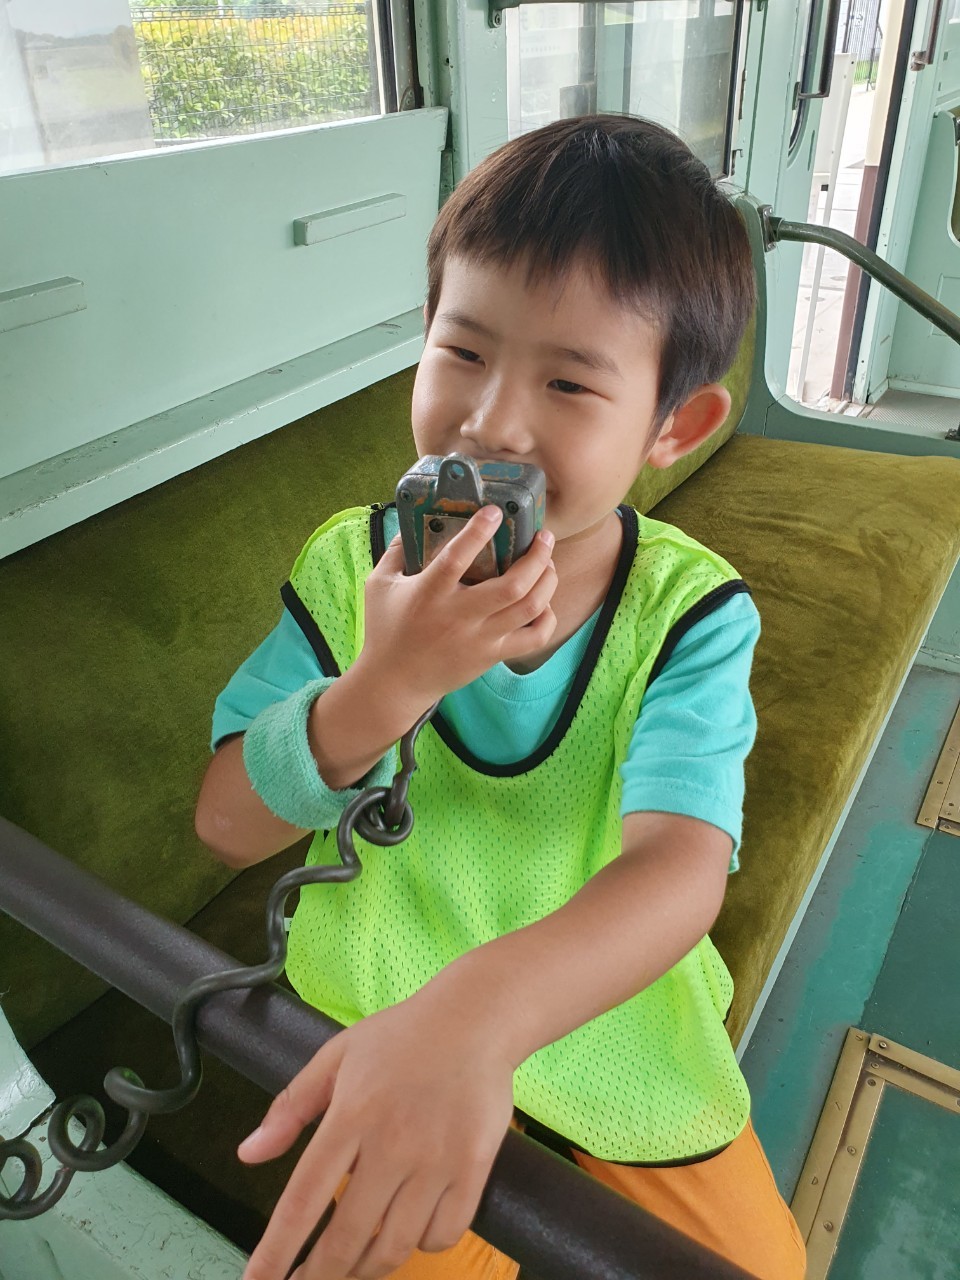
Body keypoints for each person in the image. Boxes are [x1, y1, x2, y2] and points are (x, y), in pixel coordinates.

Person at [195, 115, 807, 1280]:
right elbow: (226, 822)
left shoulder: (689, 613)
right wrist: (383, 689)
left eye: (568, 380)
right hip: (383, 1008)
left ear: (674, 425)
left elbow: (681, 865)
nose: (490, 422)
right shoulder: (348, 567)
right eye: (463, 352)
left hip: (616, 1025)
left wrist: (484, 1009)